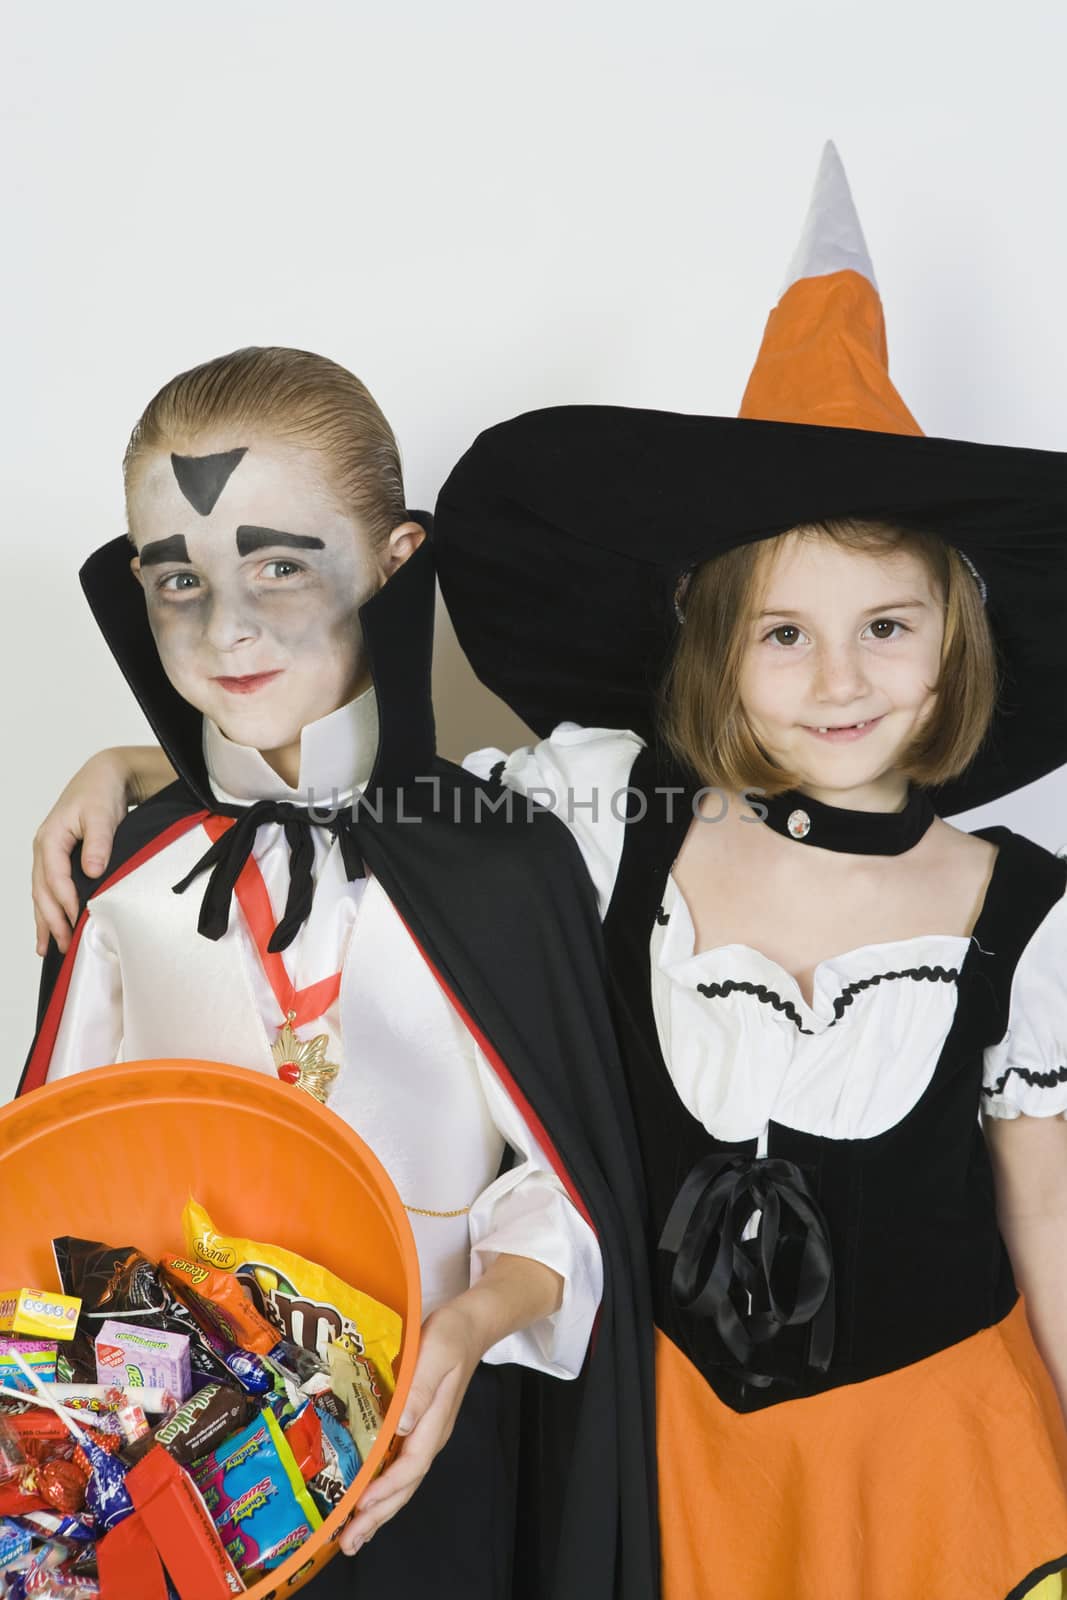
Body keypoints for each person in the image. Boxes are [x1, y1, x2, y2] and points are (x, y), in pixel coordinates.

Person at [31, 146, 1067, 1599]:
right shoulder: (600, 819)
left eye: (884, 627)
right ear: (709, 645)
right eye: (780, 632)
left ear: (955, 642)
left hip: (925, 1456)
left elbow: (1047, 1209)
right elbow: (349, 805)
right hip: (670, 1458)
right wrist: (137, 770)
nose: (833, 675)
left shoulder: (1019, 911)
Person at [19, 346, 657, 1600]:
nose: (224, 626)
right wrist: (140, 767)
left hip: (433, 1461)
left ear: (393, 563)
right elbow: (52, 1179)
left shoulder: (506, 859)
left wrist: (470, 1325)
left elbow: (561, 1179)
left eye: (277, 563)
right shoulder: (130, 879)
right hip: (167, 1491)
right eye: (176, 579)